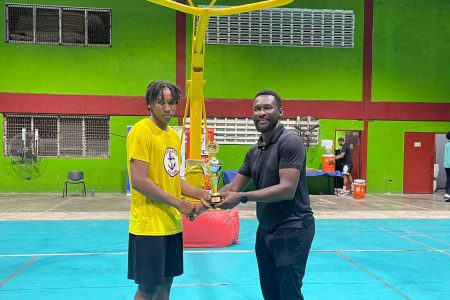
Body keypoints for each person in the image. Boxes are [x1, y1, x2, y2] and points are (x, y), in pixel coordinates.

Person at [216, 89, 315, 300]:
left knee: (288, 292)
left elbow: (287, 189)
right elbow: (233, 188)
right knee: (270, 292)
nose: (261, 113)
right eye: (257, 108)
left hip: (293, 227)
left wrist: (243, 198)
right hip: (266, 229)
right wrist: (206, 200)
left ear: (280, 111)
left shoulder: (290, 142)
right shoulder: (254, 150)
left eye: (267, 107)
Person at [126, 80, 210, 300]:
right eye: (161, 102)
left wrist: (198, 193)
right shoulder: (141, 131)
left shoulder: (173, 135)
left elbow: (173, 179)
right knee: (147, 289)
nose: (167, 108)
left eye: (172, 103)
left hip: (171, 225)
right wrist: (179, 203)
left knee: (165, 285)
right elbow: (139, 181)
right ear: (149, 104)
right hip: (148, 227)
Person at [444, 131, 450, 201]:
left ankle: (447, 194)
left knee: (448, 179)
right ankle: (448, 194)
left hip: (446, 165)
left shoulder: (446, 145)